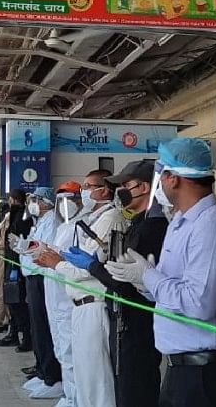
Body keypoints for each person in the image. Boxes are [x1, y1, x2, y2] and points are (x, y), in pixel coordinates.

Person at [106, 138, 216, 407]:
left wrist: (149, 276)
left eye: (162, 175)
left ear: (174, 179)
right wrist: (143, 281)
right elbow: (172, 291)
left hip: (207, 371)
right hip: (183, 368)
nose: (159, 183)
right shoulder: (179, 222)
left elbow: (199, 303)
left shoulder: (211, 226)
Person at [62, 161, 167, 407]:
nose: (121, 190)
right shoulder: (137, 223)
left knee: (135, 390)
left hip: (137, 323)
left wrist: (93, 266)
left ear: (143, 187)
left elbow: (127, 283)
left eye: (126, 185)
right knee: (124, 388)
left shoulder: (152, 227)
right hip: (123, 320)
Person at [36, 169, 126, 407]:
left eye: (88, 187)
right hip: (77, 302)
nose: (84, 192)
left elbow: (89, 266)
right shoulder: (89, 219)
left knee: (96, 378)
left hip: (93, 302)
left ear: (104, 190)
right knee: (83, 373)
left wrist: (57, 263)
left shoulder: (110, 217)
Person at [37, 181, 85, 407]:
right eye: (61, 201)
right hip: (53, 293)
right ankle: (68, 393)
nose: (66, 205)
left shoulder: (81, 226)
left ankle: (75, 397)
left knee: (70, 349)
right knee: (60, 346)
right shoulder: (64, 227)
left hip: (68, 298)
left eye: (70, 200)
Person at [20, 187, 64, 400]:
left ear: (46, 202)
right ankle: (42, 368)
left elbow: (44, 251)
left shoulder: (53, 223)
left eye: (36, 199)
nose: (33, 203)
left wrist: (27, 249)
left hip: (41, 277)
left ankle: (52, 376)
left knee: (45, 326)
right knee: (36, 326)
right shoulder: (40, 223)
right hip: (32, 277)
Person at [0, 188, 34, 349]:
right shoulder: (14, 215)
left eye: (10, 199)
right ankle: (14, 331)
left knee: (18, 301)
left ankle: (25, 336)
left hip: (18, 264)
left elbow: (20, 238)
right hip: (11, 262)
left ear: (14, 199)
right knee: (12, 299)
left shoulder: (23, 215)